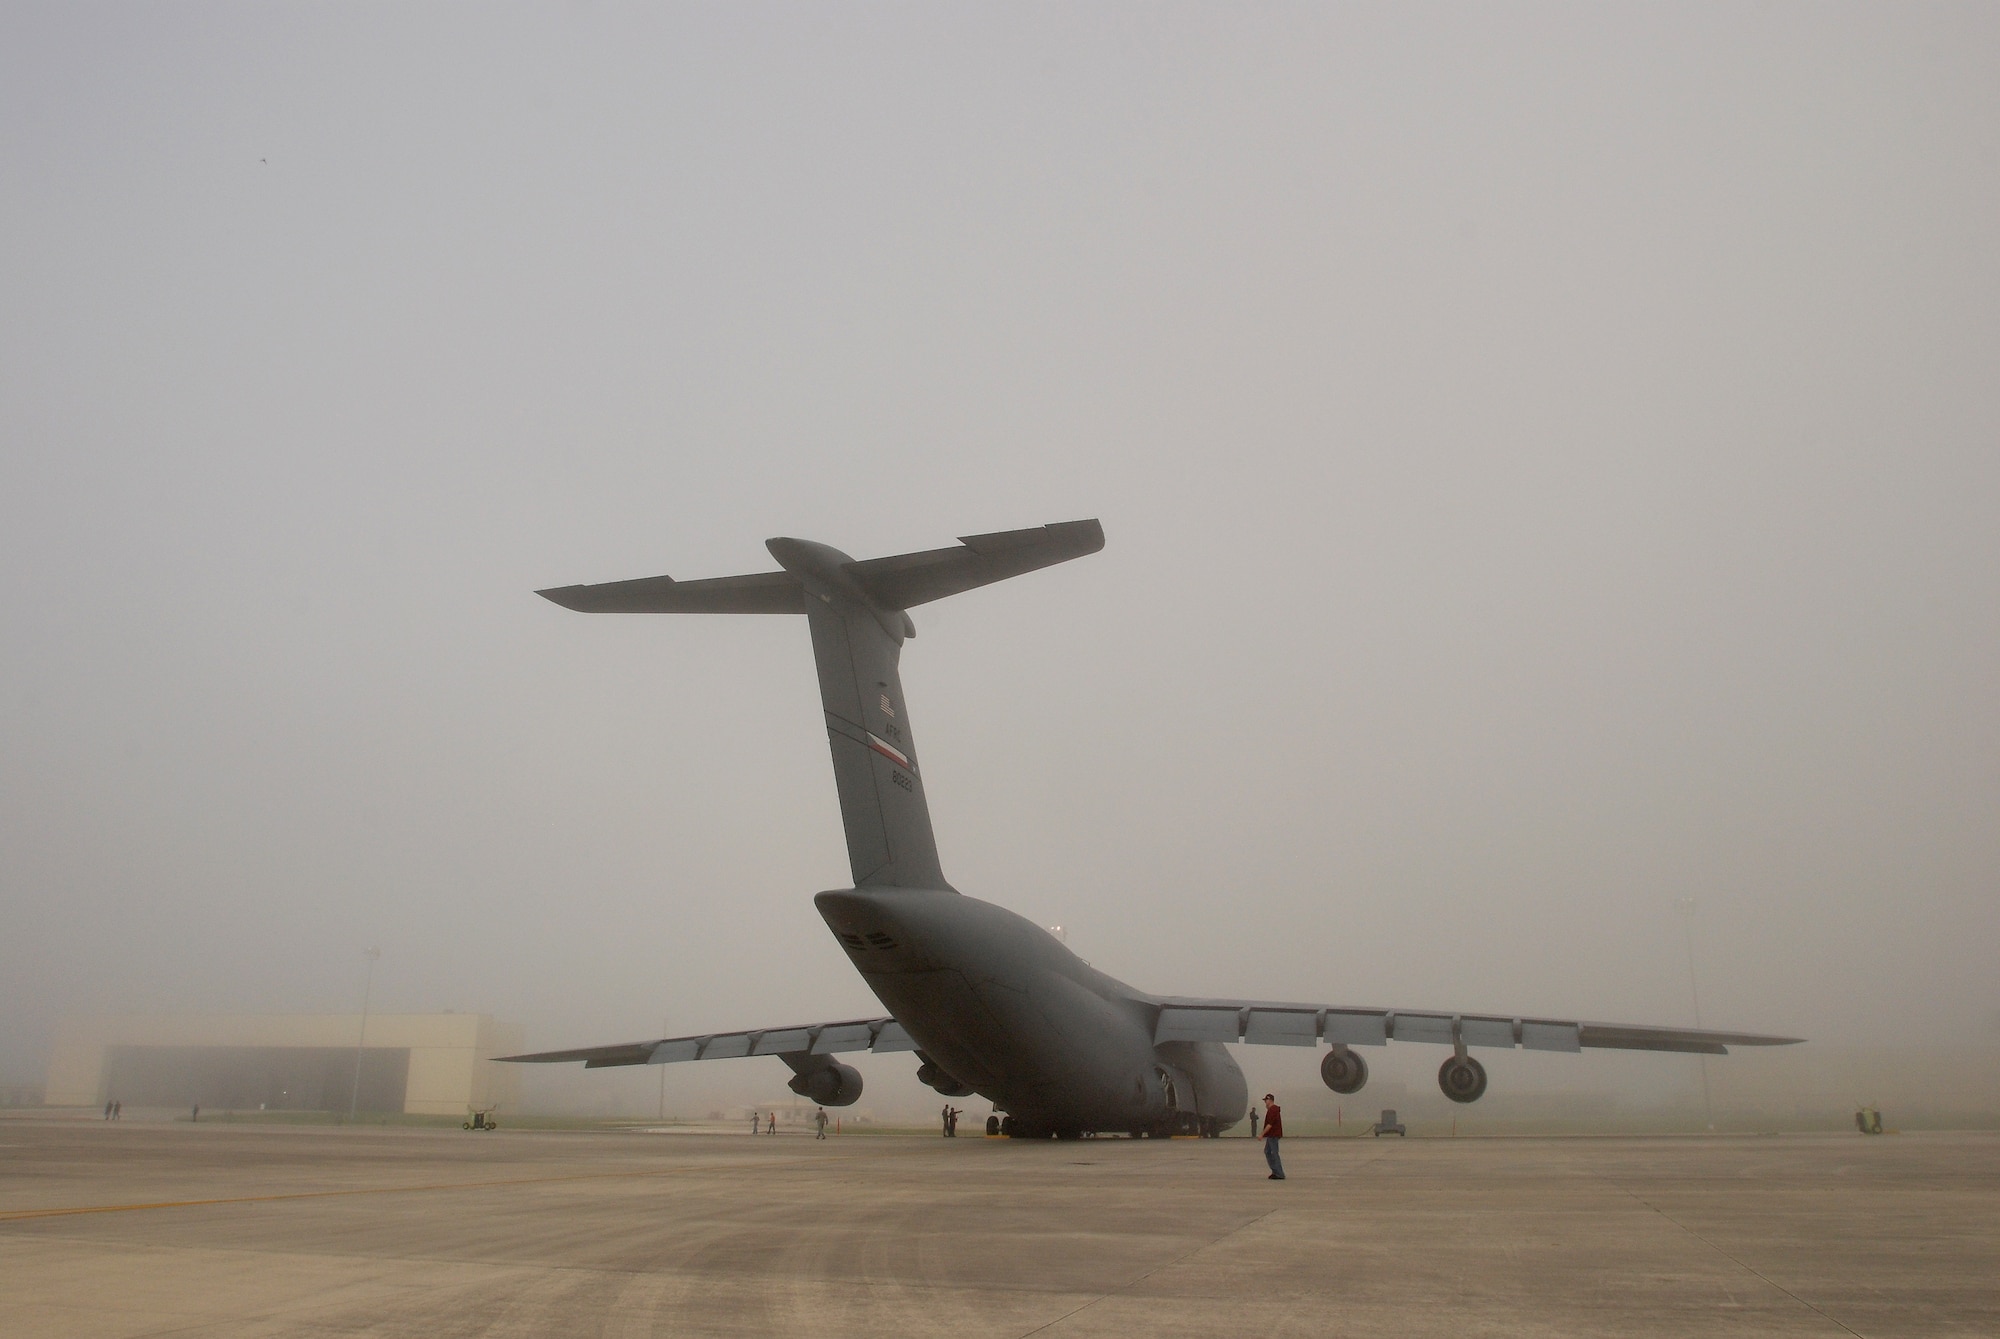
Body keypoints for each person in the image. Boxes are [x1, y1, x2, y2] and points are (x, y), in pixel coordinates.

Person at [1260, 1093, 1284, 1180]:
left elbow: (1270, 1124)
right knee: (1267, 1151)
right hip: (1271, 1135)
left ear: (1269, 1100)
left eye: (1266, 1100)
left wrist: (1262, 1134)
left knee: (1274, 1153)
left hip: (1273, 1135)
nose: (1265, 1102)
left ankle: (1279, 1173)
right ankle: (1275, 1171)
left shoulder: (1273, 1110)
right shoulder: (1272, 1110)